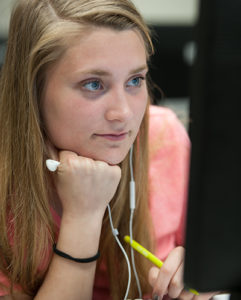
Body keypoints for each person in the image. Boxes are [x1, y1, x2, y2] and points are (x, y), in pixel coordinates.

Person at [0, 0, 217, 299]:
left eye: (135, 80)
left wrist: (201, 282)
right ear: (32, 89)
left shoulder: (163, 137)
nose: (124, 113)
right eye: (93, 85)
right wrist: (83, 217)